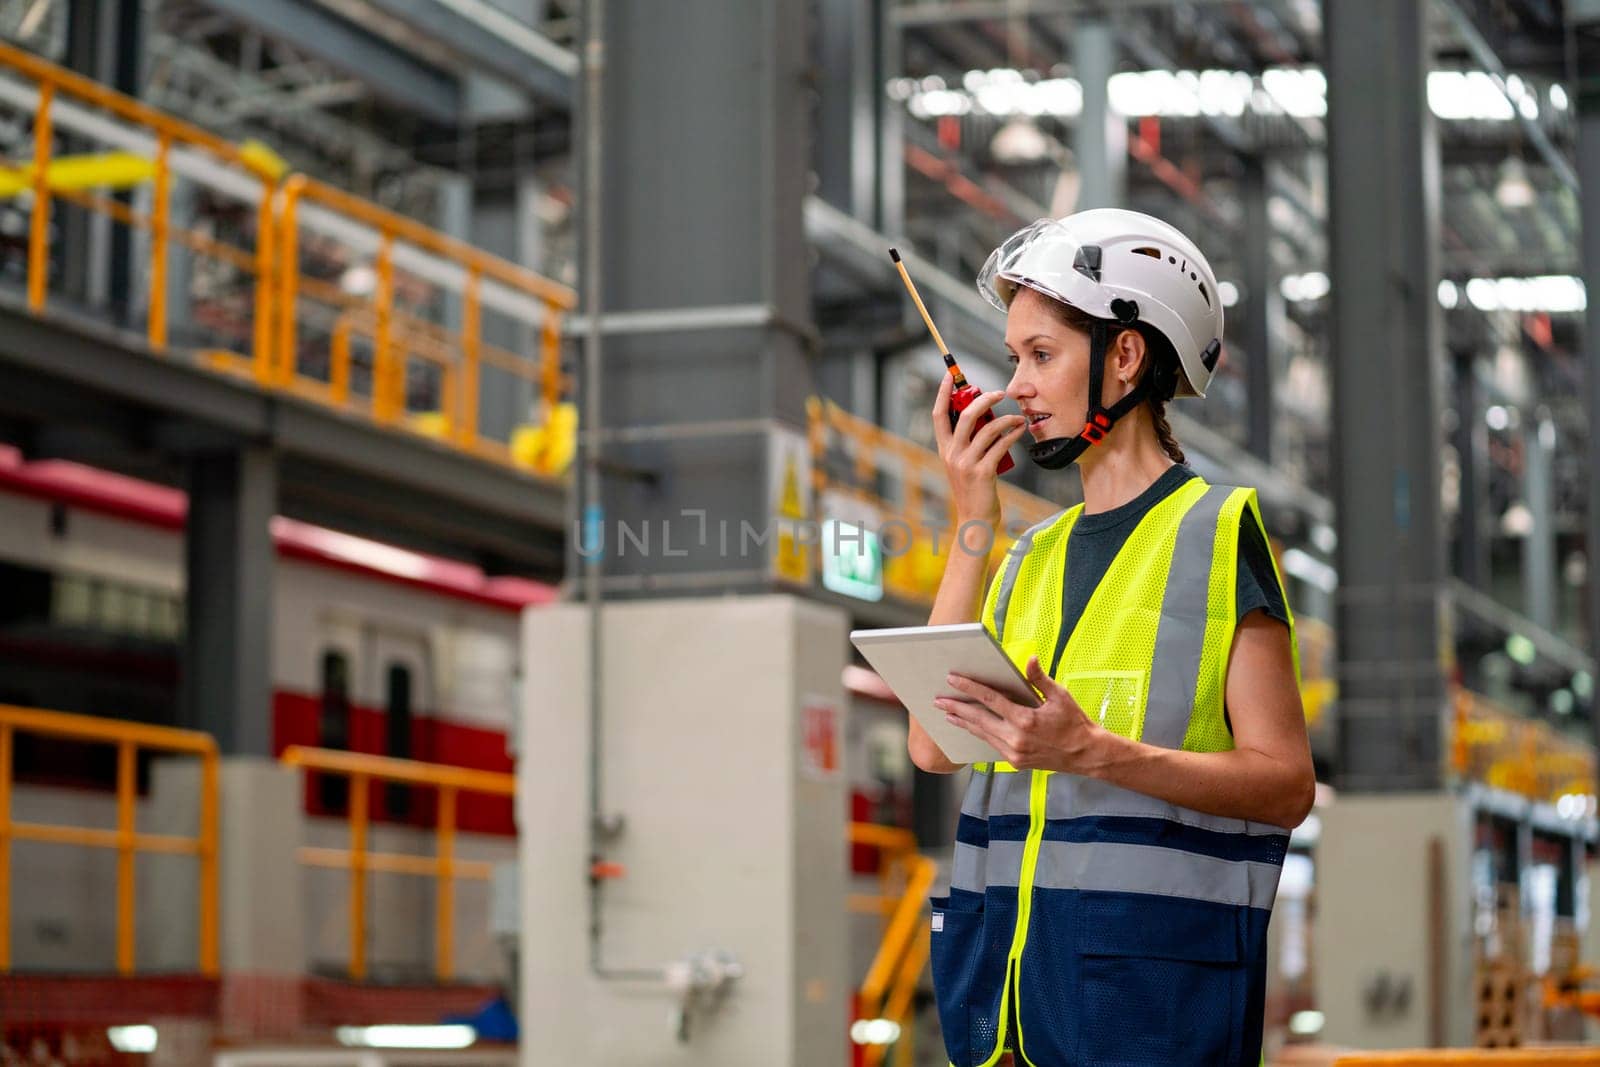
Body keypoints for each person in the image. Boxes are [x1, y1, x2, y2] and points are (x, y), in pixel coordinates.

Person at [913, 209, 1316, 1067]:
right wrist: (971, 523)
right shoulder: (1029, 557)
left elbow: (1285, 786)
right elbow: (930, 743)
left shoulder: (1216, 534)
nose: (1014, 384)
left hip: (1149, 1017)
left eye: (1041, 355)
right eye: (1015, 355)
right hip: (1010, 1014)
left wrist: (1095, 751)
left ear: (1125, 356)